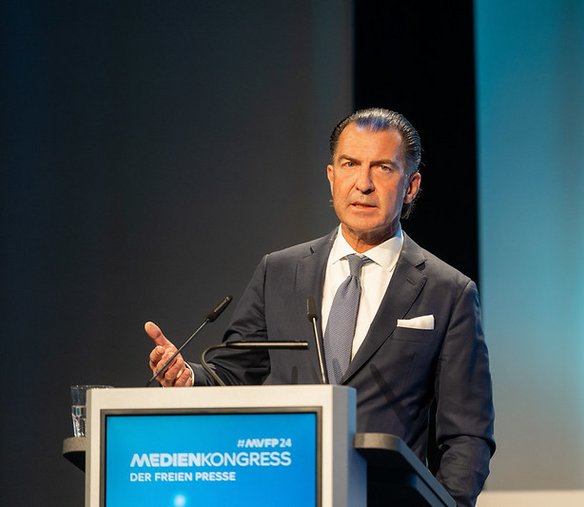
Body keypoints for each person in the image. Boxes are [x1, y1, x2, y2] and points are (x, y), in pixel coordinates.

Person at [146, 108, 495, 506]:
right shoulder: (279, 271)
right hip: (281, 492)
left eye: (382, 168)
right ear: (332, 176)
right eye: (350, 164)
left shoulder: (448, 291)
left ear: (411, 186)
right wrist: (189, 376)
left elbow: (467, 434)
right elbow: (234, 374)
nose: (363, 184)